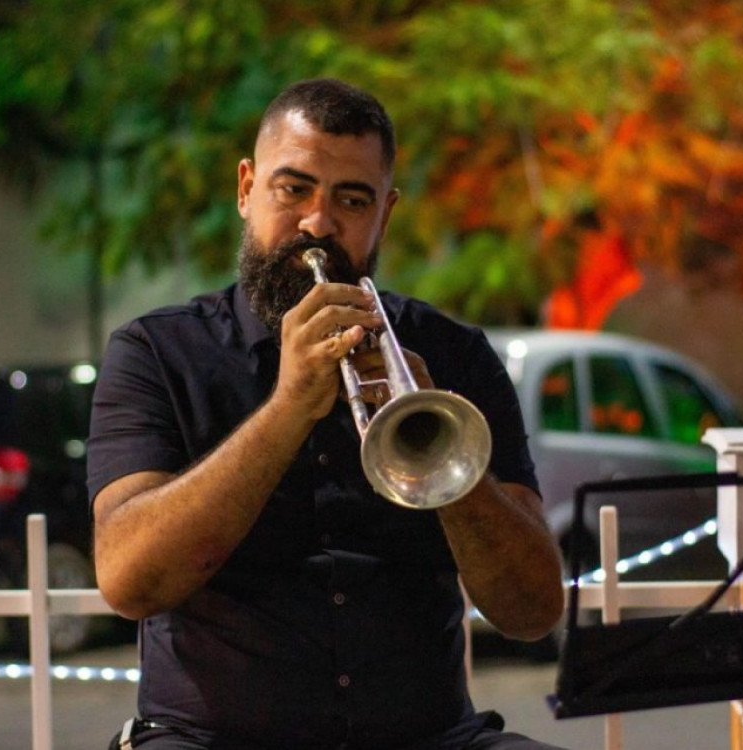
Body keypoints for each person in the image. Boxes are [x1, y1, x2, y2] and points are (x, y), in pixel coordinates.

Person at [87, 78, 566, 750]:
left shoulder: (452, 356)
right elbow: (129, 581)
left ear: (384, 214)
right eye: (294, 189)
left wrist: (446, 465)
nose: (319, 223)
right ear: (246, 188)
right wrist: (289, 409)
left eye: (352, 199)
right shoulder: (157, 353)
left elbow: (532, 613)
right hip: (211, 739)